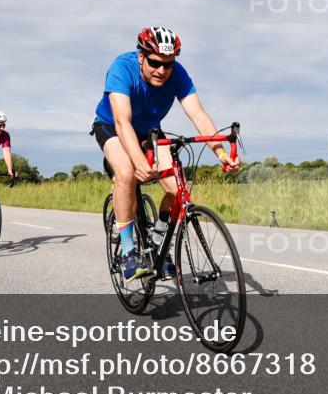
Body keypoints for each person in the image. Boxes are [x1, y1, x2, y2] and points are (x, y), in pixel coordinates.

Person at [93, 26, 240, 282]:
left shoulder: (178, 74)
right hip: (112, 127)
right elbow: (122, 121)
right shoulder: (122, 67)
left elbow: (198, 115)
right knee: (126, 173)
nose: (162, 70)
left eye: (168, 64)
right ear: (141, 56)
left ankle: (159, 242)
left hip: (150, 132)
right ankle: (128, 252)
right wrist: (139, 161)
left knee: (177, 189)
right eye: (155, 63)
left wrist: (220, 152)